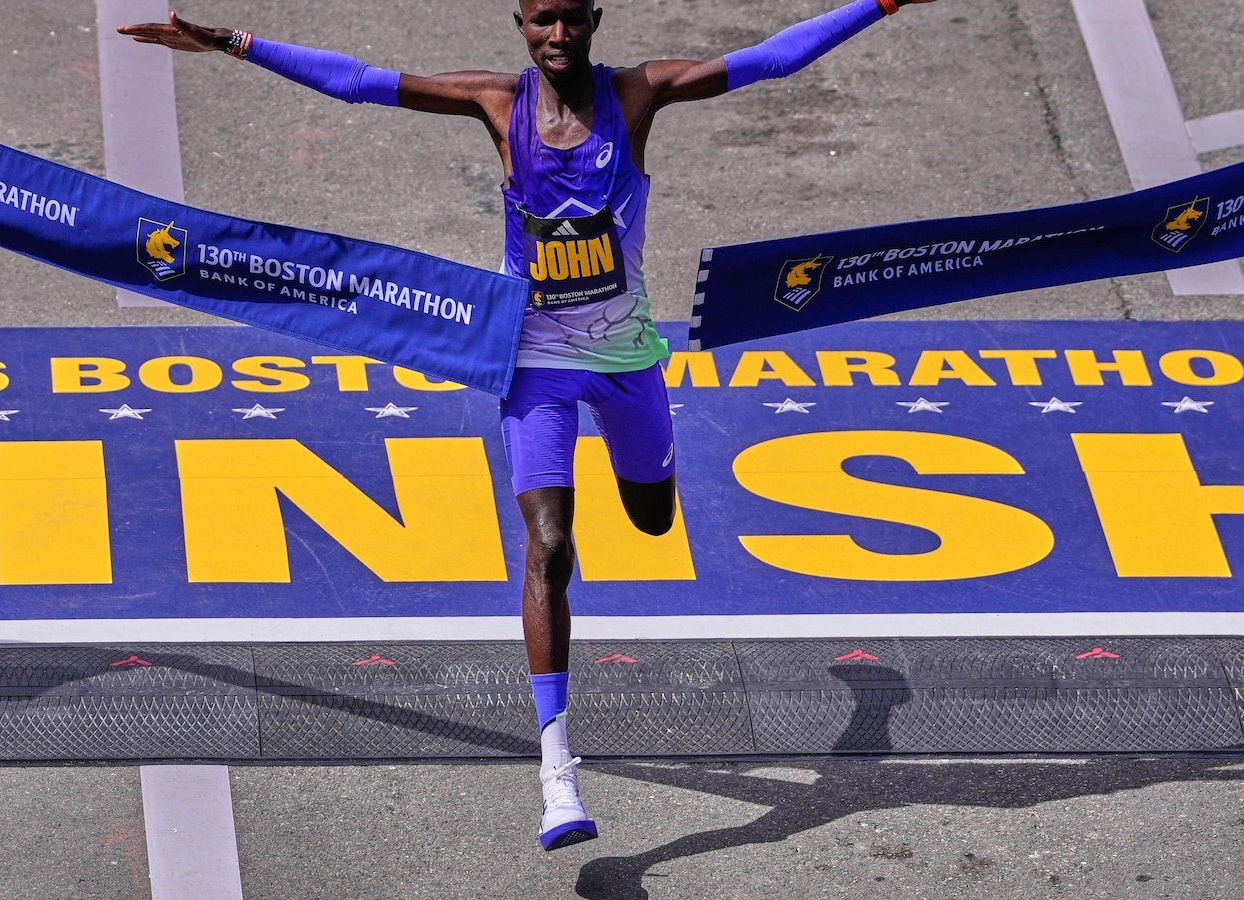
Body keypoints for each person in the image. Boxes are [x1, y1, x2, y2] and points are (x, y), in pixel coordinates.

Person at [101, 0, 930, 851]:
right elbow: (355, 82)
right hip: (531, 361)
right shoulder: (498, 106)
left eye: (571, 20)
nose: (557, 37)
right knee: (549, 542)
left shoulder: (638, 98)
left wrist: (881, 3)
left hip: (625, 359)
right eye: (542, 22)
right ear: (520, 24)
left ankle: (627, 480)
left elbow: (773, 59)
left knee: (652, 517)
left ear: (594, 19)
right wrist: (232, 41)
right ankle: (558, 770)